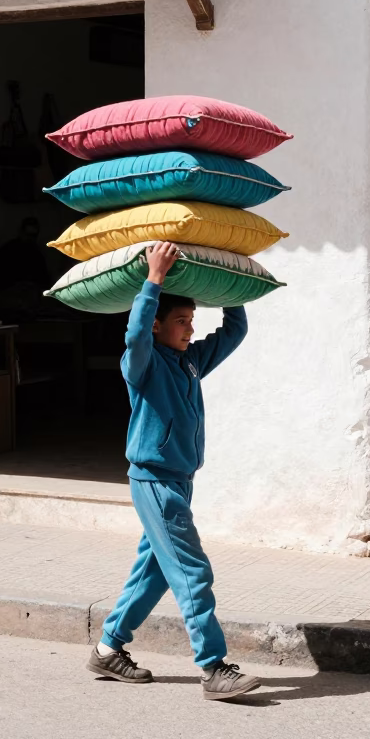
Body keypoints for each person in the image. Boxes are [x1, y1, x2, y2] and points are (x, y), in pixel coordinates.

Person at [86, 241, 262, 701]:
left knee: (156, 571)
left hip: (180, 481)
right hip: (156, 480)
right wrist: (154, 279)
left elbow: (234, 331)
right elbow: (135, 335)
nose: (189, 329)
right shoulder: (140, 365)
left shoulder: (189, 361)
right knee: (192, 570)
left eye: (191, 322)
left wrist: (231, 284)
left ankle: (108, 648)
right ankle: (213, 666)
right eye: (181, 322)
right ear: (159, 324)